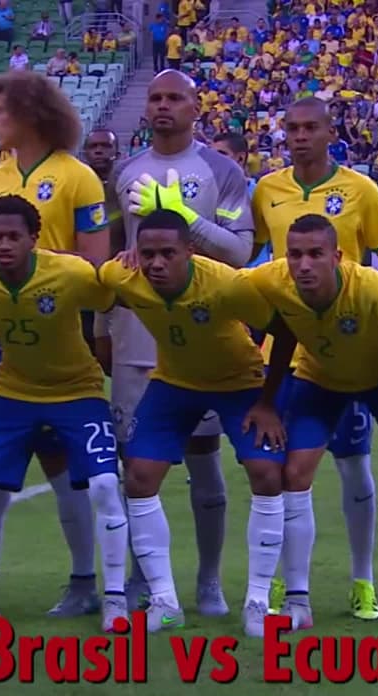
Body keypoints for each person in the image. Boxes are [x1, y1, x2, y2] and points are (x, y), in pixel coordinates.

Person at [241, 214, 378, 637]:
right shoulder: (271, 280)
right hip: (321, 380)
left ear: (337, 256)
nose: (303, 265)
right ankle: (298, 603)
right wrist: (265, 401)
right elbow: (224, 286)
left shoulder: (374, 289)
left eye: (315, 254)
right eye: (295, 254)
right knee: (294, 474)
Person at [0, 70, 112, 619]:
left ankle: (84, 581)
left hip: (63, 344)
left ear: (29, 112)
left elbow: (96, 266)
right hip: (1, 349)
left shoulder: (78, 177)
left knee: (65, 470)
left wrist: (42, 274)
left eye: (0, 110)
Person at [99, 70, 253, 617]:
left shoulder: (222, 171)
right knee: (137, 465)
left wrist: (189, 221)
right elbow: (111, 255)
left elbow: (239, 253)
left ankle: (209, 581)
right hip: (137, 335)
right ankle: (143, 579)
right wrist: (102, 328)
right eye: (155, 97)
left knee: (203, 458)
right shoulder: (124, 172)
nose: (162, 105)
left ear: (195, 107)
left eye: (174, 97)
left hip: (203, 335)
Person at [251, 97, 378, 621]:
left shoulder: (361, 189)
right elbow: (251, 258)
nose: (299, 137)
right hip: (286, 353)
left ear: (329, 132)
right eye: (291, 128)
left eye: (309, 128)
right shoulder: (266, 190)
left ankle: (363, 581)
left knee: (353, 464)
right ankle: (287, 583)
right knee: (285, 472)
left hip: (350, 349)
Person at [101, 210, 284, 635]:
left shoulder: (227, 284)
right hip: (175, 382)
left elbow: (282, 328)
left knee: (267, 472)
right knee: (138, 476)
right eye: (148, 253)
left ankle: (257, 602)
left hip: (239, 382)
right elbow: (103, 287)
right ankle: (165, 602)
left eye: (168, 253)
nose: (157, 263)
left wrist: (268, 403)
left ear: (190, 251)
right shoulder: (122, 275)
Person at [0, 195, 127, 633]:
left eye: (14, 236)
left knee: (105, 485)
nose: (4, 245)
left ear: (34, 238)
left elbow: (109, 294)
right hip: (13, 390)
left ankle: (114, 599)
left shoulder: (69, 272)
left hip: (77, 389)